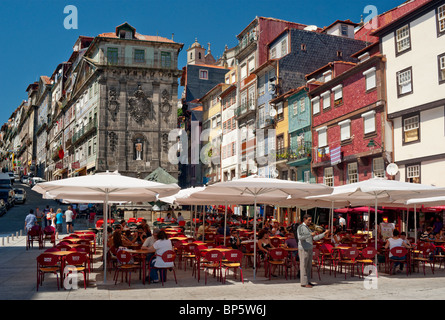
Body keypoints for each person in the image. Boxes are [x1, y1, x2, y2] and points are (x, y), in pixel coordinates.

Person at [297, 214, 330, 288]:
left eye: (310, 220)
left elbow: (314, 238)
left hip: (309, 248)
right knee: (303, 266)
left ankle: (307, 281)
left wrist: (324, 234)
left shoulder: (308, 228)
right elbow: (300, 237)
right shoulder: (300, 227)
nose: (310, 221)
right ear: (304, 219)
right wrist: (310, 234)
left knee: (308, 266)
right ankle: (304, 283)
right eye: (309, 220)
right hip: (303, 249)